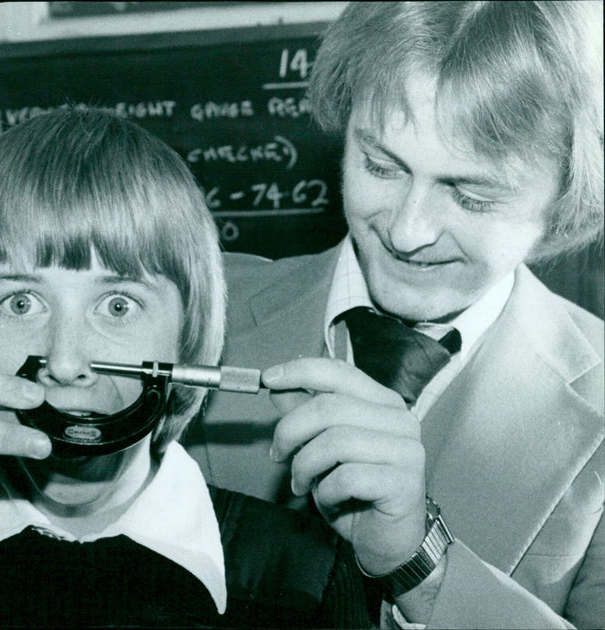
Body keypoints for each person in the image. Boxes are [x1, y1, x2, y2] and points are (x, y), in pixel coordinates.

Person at [0, 108, 369, 628]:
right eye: (22, 303)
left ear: (188, 334)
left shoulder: (304, 577)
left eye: (117, 305)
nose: (68, 363)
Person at [184, 2, 604, 629]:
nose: (408, 233)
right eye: (380, 165)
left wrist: (421, 566)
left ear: (567, 193)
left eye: (470, 195)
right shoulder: (190, 308)